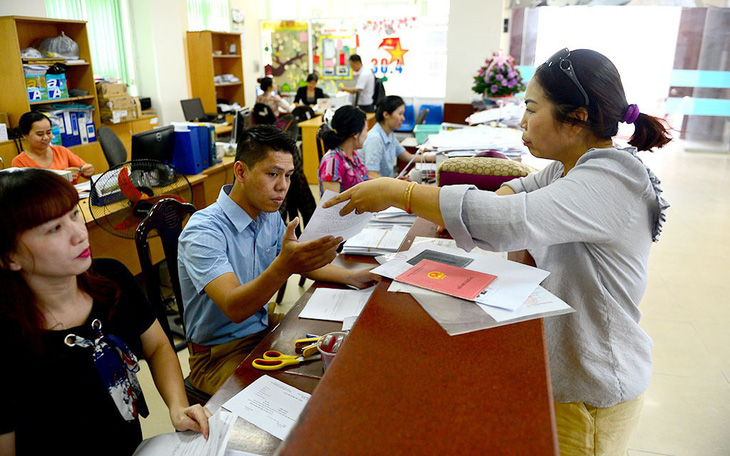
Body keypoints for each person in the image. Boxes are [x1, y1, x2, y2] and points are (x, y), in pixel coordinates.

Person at [324, 48, 672, 455]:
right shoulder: (569, 165)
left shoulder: (610, 178)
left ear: (576, 118)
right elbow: (523, 190)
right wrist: (493, 198)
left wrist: (400, 193)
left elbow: (508, 221)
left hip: (590, 386)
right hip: (566, 371)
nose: (523, 121)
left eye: (532, 108)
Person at [0, 169, 210, 456]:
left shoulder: (113, 279)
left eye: (74, 214)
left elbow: (158, 347)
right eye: (54, 229)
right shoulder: (8, 337)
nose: (78, 234)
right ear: (9, 256)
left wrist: (176, 405)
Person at [177, 125, 377, 396]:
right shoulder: (204, 230)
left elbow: (300, 261)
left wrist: (353, 277)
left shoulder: (267, 214)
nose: (282, 187)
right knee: (290, 398)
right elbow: (234, 307)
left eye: (288, 176)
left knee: (342, 347)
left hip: (261, 327)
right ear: (241, 172)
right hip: (217, 354)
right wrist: (286, 265)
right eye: (272, 174)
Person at [361, 95, 436, 179]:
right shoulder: (375, 139)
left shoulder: (389, 134)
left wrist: (435, 157)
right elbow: (372, 175)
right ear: (386, 114)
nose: (403, 118)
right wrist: (395, 183)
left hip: (386, 185)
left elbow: (408, 157)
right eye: (400, 114)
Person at [12, 111, 94, 184]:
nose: (46, 138)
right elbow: (24, 193)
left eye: (48, 132)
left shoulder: (61, 151)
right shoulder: (19, 162)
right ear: (25, 135)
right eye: (40, 134)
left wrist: (88, 170)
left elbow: (86, 172)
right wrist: (60, 178)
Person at [318, 106, 369, 194]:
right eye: (365, 130)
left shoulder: (354, 155)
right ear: (355, 134)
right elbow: (331, 204)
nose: (366, 135)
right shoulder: (332, 162)